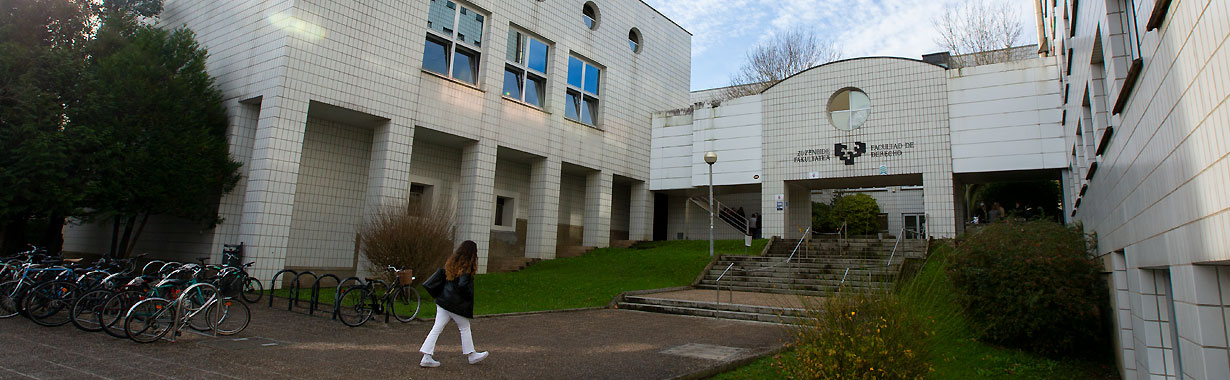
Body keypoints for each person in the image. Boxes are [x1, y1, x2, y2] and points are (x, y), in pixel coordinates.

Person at [419, 240, 488, 367]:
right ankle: (471, 355)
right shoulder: (466, 267)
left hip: (443, 300)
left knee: (437, 328)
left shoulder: (451, 262)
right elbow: (463, 285)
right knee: (464, 327)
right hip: (455, 304)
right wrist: (468, 295)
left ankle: (426, 356)